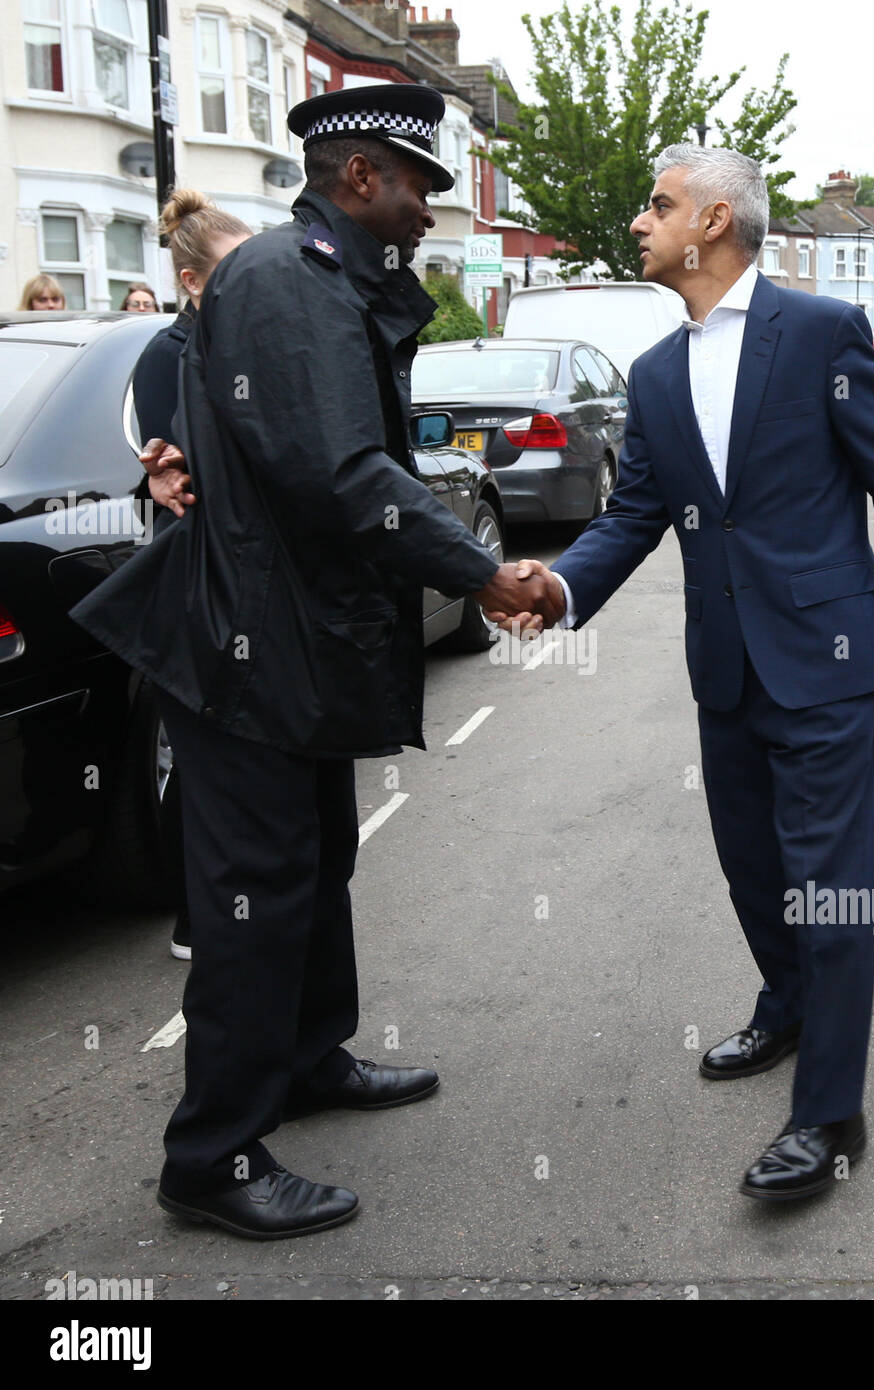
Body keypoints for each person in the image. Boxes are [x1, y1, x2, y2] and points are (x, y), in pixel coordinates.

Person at [70, 82, 555, 1240]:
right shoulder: (293, 283)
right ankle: (212, 1154)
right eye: (420, 185)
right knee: (255, 895)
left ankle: (305, 1056)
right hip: (248, 651)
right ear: (359, 179)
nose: (433, 207)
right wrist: (481, 570)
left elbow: (215, 381)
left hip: (293, 642)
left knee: (318, 858)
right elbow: (342, 477)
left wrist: (175, 434)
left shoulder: (316, 278)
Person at [496, 145, 874, 1202]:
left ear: (709, 220)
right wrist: (558, 589)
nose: (640, 222)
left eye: (657, 206)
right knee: (754, 868)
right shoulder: (656, 374)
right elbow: (632, 515)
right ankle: (787, 1004)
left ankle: (832, 1114)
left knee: (831, 887)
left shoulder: (822, 332)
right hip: (727, 668)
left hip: (832, 660)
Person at [131, 191, 252, 959]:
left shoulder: (228, 344)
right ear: (192, 280)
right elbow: (179, 466)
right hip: (193, 582)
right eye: (237, 273)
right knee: (203, 765)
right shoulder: (171, 355)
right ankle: (194, 918)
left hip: (226, 583)